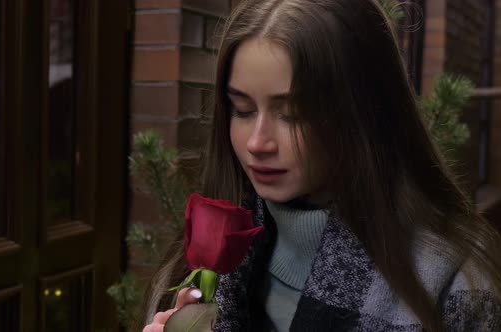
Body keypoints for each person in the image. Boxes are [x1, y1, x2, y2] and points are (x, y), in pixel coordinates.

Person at [141, 0, 501, 331]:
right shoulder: (210, 251)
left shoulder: (453, 283)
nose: (257, 143)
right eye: (243, 110)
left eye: (294, 115)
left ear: (364, 113)